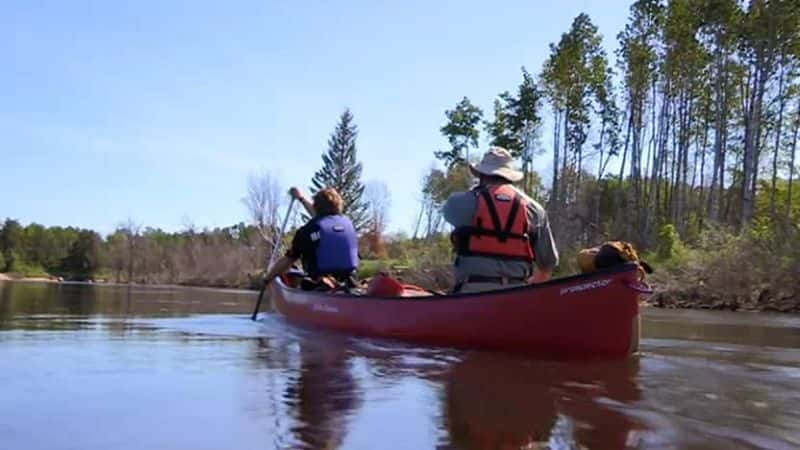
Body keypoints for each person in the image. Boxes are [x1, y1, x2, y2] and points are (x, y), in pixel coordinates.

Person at [443, 147, 558, 293]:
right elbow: (547, 265)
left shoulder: (458, 202)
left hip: (470, 293)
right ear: (510, 177)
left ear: (482, 175)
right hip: (517, 296)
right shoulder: (535, 210)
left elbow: (448, 213)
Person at [262, 187, 359, 290]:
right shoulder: (347, 224)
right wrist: (301, 199)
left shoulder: (307, 230)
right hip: (348, 281)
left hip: (319, 283)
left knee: (295, 273)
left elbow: (289, 260)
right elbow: (322, 219)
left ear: (316, 206)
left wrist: (267, 278)